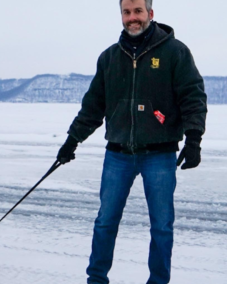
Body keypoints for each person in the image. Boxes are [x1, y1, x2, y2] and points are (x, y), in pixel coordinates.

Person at [56, 0, 207, 283]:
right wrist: (71, 141)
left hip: (160, 154)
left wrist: (194, 138)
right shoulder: (110, 57)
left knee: (162, 226)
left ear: (150, 14)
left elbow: (193, 97)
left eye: (138, 11)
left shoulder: (175, 52)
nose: (132, 18)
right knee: (105, 222)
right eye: (127, 12)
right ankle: (96, 279)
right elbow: (93, 106)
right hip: (118, 154)